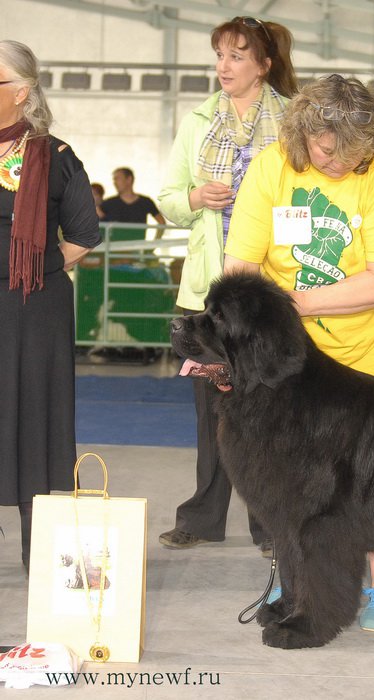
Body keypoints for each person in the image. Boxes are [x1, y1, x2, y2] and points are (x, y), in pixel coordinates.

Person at [223, 74, 374, 632]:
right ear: (303, 132)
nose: (338, 161)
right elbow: (241, 265)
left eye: (353, 152)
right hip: (294, 359)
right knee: (292, 475)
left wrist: (288, 305)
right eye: (327, 149)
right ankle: (298, 573)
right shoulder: (271, 168)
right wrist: (248, 329)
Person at [157, 17, 298, 554]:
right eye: (219, 55)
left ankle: (270, 524)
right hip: (207, 295)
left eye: (237, 56)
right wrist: (195, 200)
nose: (223, 66)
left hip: (272, 294)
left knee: (275, 412)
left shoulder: (291, 122)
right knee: (210, 412)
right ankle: (201, 517)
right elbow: (167, 199)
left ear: (263, 65)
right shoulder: (196, 122)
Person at [0, 40, 101, 572]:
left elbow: (85, 232)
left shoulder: (56, 157)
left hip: (34, 308)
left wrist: (32, 266)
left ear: (21, 93)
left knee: (38, 419)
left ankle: (40, 552)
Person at [100, 167, 166, 238]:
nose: (115, 182)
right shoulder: (109, 203)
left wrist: (153, 245)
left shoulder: (145, 202)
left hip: (137, 247)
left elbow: (161, 222)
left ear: (129, 179)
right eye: (114, 179)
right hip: (115, 248)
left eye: (117, 178)